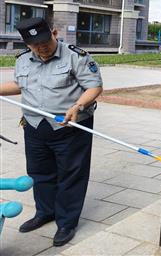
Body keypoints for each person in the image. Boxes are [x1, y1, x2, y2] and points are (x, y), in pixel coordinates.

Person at [0, 18, 103, 246]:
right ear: (27, 44)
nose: (41, 48)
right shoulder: (23, 60)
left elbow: (94, 86)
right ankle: (45, 212)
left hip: (70, 126)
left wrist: (78, 106)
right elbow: (19, 85)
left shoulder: (76, 56)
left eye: (45, 42)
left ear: (54, 33)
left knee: (71, 175)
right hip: (35, 126)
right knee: (39, 172)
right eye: (35, 45)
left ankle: (66, 222)